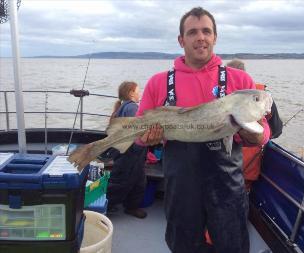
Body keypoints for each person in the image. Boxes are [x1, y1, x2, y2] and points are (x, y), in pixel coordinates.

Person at [133, 7, 271, 253]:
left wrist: (255, 134)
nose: (201, 37)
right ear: (181, 40)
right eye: (193, 32)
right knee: (184, 245)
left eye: (207, 31)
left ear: (215, 37)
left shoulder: (240, 82)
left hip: (227, 186)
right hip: (181, 186)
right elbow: (139, 138)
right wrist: (146, 138)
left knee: (233, 246)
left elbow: (263, 133)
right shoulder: (158, 82)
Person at [227, 59, 283, 191]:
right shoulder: (262, 94)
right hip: (247, 168)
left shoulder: (222, 96)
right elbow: (277, 130)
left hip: (223, 167)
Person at [105, 81, 148, 219]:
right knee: (121, 181)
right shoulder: (132, 108)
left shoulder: (123, 107)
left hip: (126, 150)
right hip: (130, 151)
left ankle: (131, 206)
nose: (140, 93)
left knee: (138, 180)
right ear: (131, 93)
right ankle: (107, 205)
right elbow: (137, 129)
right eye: (138, 91)